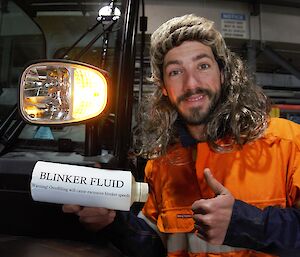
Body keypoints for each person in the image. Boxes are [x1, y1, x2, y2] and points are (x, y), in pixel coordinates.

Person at [63, 14, 300, 257]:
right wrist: (113, 223)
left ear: (223, 73)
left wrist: (247, 223)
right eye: (176, 72)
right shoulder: (161, 165)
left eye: (203, 66)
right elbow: (157, 245)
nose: (191, 84)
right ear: (164, 88)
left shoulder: (288, 143)